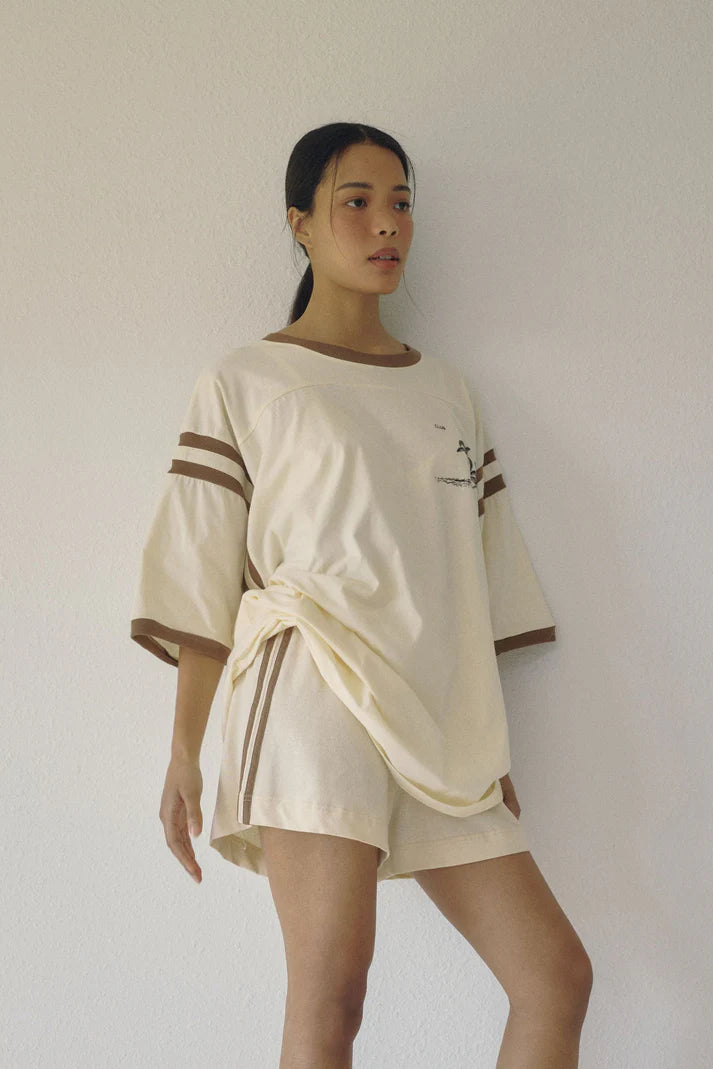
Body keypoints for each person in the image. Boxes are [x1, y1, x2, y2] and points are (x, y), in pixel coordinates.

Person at [130, 122, 593, 1067]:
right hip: (312, 695)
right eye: (357, 202)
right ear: (299, 223)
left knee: (554, 977)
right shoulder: (248, 379)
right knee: (333, 993)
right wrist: (183, 750)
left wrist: (483, 743)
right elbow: (200, 571)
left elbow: (475, 579)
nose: (386, 224)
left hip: (439, 722)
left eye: (401, 204)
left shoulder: (448, 392)